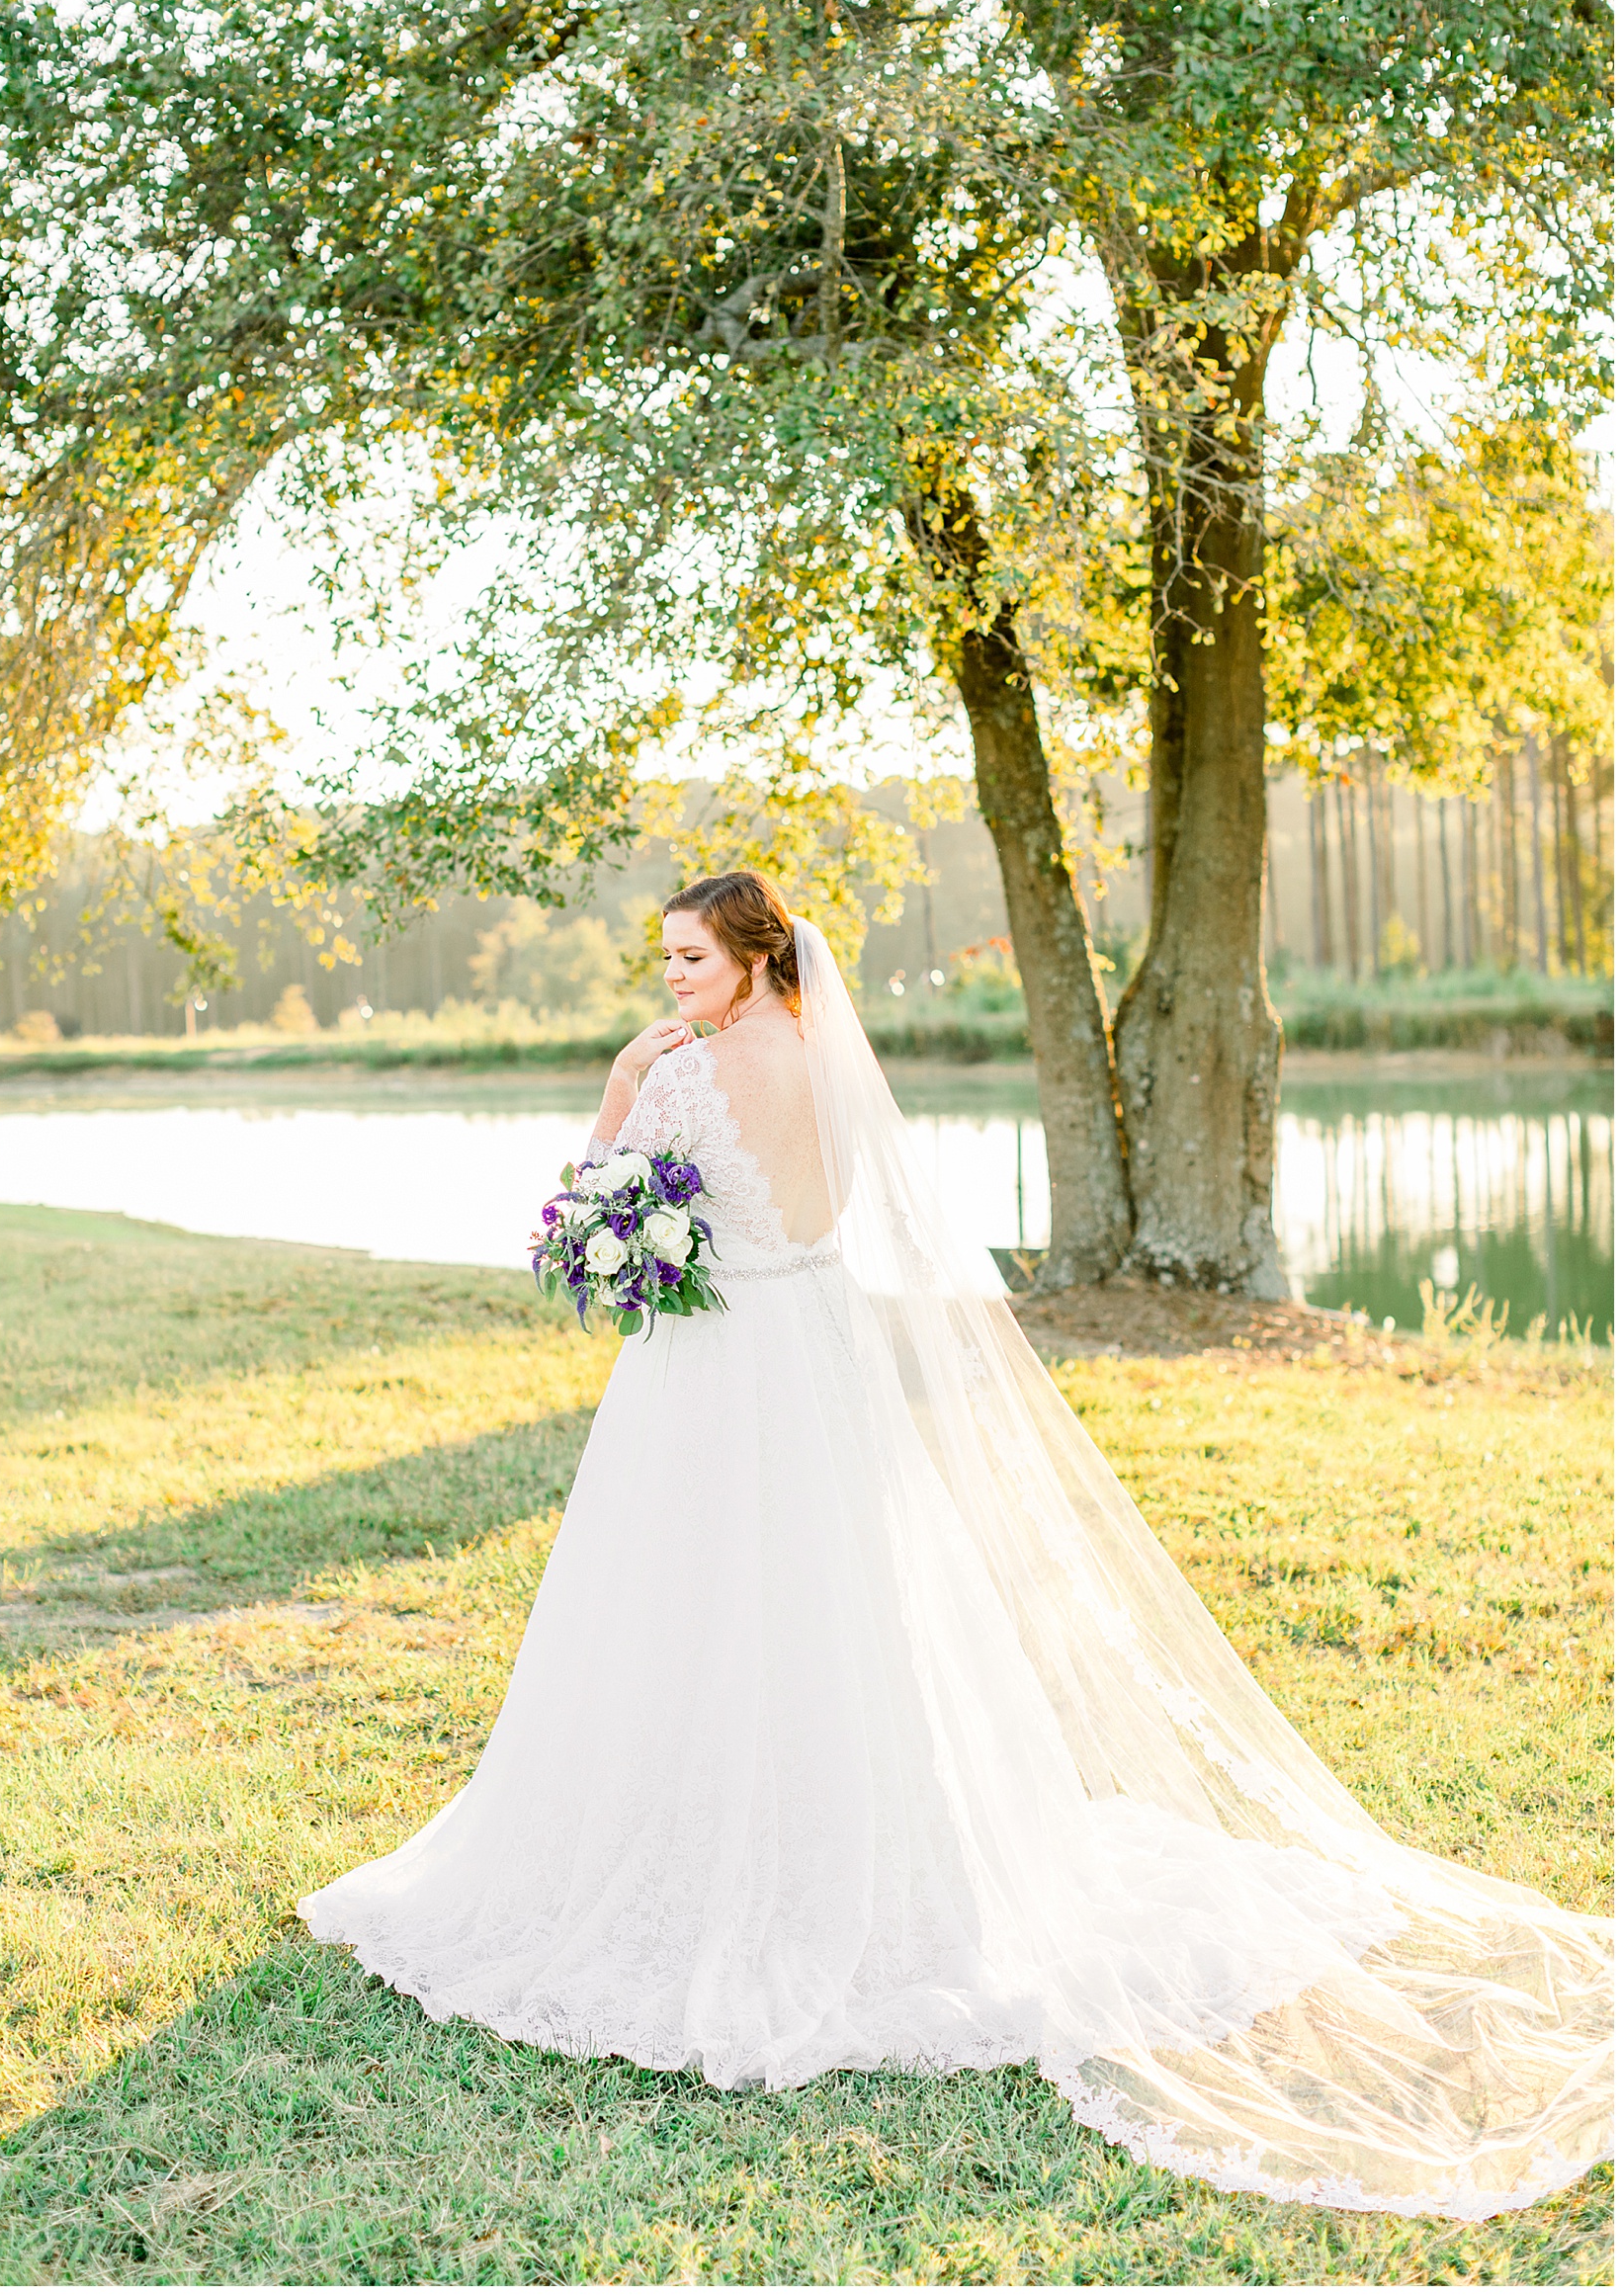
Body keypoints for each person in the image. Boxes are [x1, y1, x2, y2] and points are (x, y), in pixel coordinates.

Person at [299, 870, 1611, 2217]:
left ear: (751, 958)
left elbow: (593, 1209)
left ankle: (730, 1845)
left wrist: (624, 1080)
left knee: (702, 1592)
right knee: (840, 1594)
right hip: (820, 1346)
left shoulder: (681, 1076)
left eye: (690, 959)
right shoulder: (831, 1058)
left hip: (718, 1368)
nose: (672, 981)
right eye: (667, 961)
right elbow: (823, 1219)